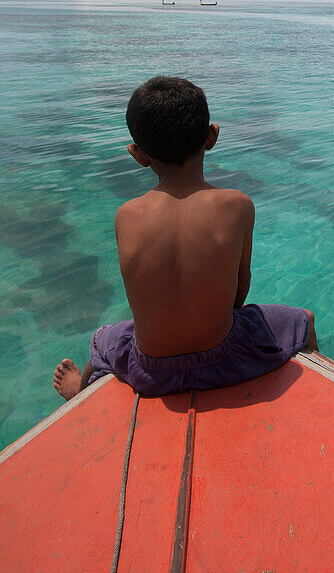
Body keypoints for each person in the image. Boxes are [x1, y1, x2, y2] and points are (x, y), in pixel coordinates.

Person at [53, 75, 317, 400]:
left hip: (149, 370)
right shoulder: (237, 205)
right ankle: (314, 398)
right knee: (303, 320)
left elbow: (144, 298)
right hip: (225, 361)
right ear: (211, 136)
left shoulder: (127, 215)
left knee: (103, 339)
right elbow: (240, 291)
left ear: (137, 154)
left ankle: (80, 392)